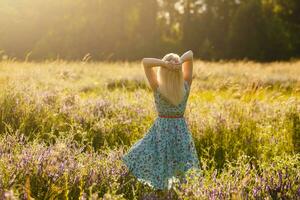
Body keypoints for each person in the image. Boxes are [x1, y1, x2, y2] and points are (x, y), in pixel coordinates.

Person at [121, 50, 200, 193]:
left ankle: (162, 194)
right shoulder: (186, 87)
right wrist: (179, 62)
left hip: (160, 132)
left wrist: (164, 64)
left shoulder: (157, 88)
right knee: (179, 168)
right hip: (180, 133)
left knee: (159, 164)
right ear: (179, 71)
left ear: (162, 72)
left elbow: (145, 62)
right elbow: (190, 55)